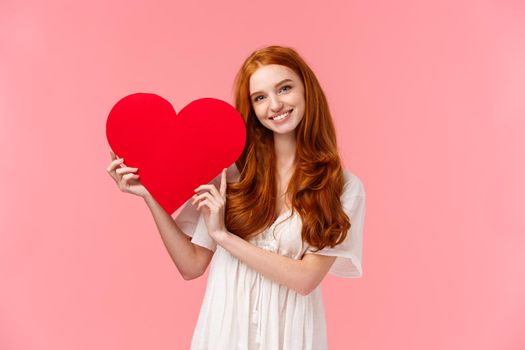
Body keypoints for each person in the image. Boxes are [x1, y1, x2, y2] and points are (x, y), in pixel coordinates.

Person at [106, 45, 366, 350]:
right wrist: (148, 194)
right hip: (224, 332)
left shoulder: (343, 188)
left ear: (307, 90)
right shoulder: (228, 173)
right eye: (260, 97)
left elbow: (305, 280)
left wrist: (224, 237)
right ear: (252, 108)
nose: (275, 104)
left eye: (284, 88)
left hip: (290, 336)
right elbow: (191, 266)